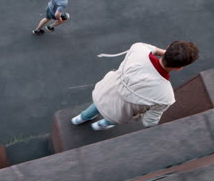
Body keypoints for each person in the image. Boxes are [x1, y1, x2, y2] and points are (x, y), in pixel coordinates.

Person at [71, 41, 199, 131]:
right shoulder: (166, 96)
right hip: (117, 114)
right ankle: (100, 125)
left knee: (96, 105)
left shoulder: (138, 49)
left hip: (103, 92)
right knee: (112, 117)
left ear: (168, 47)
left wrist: (166, 52)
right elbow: (149, 122)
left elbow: (149, 48)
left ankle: (81, 118)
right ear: (179, 68)